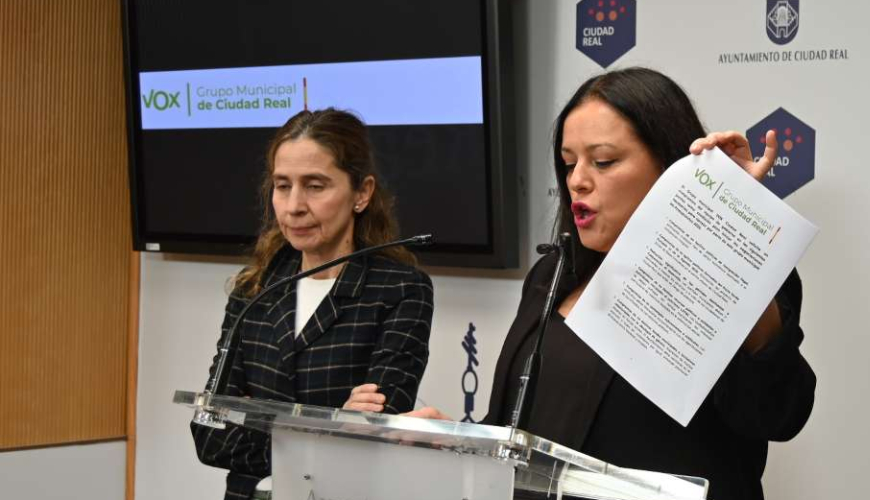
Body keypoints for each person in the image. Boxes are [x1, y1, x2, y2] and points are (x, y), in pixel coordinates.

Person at [412, 67, 817, 500]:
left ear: (669, 165)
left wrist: (729, 231)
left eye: (603, 161)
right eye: (569, 163)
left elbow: (777, 413)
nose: (577, 180)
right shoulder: (551, 275)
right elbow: (514, 432)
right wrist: (453, 441)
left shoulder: (736, 277)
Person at [191, 108, 435, 500]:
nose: (293, 206)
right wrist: (331, 424)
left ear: (362, 193)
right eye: (282, 185)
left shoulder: (400, 289)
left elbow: (371, 436)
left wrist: (261, 422)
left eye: (315, 186)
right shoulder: (254, 287)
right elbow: (210, 436)